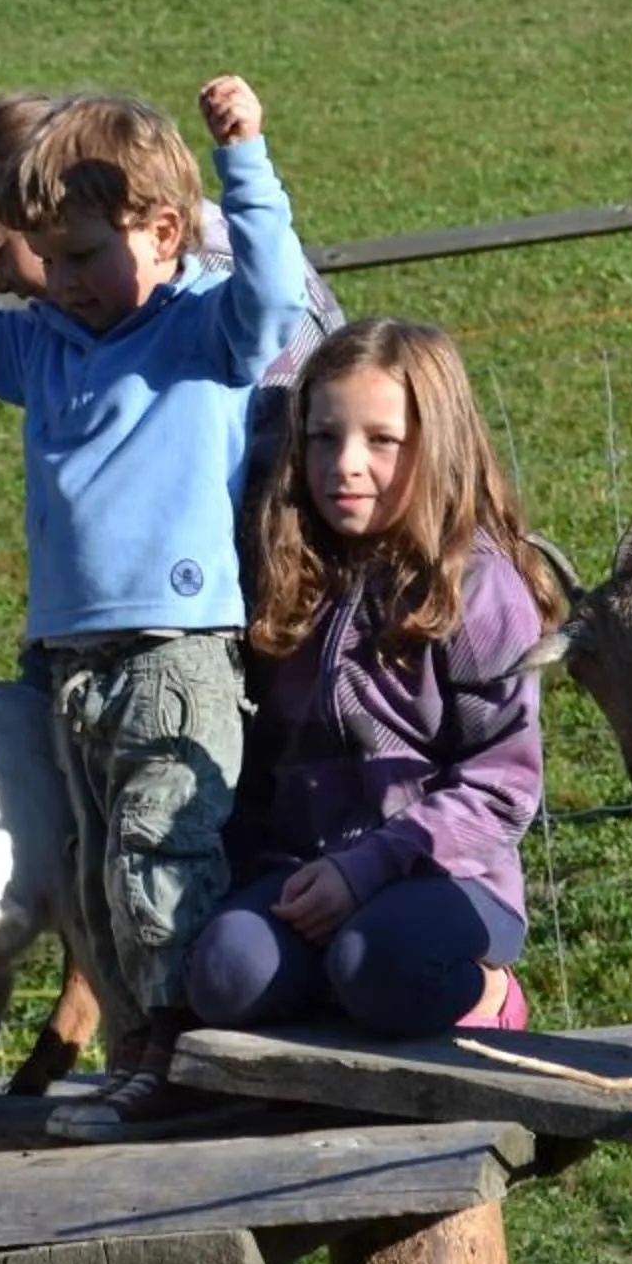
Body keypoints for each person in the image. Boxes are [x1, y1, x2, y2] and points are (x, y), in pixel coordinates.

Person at [0, 76, 313, 1140]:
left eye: (87, 255)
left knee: (161, 851)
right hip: (74, 655)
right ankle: (144, 1051)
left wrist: (248, 159)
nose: (63, 281)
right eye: (48, 257)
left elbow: (276, 296)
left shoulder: (203, 332)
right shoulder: (47, 341)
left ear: (165, 230)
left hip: (175, 649)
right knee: (96, 871)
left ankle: (194, 1058)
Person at [186, 318, 570, 1040]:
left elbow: (503, 786)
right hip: (306, 870)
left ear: (439, 444)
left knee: (378, 964)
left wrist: (367, 870)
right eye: (324, 438)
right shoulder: (288, 568)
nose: (345, 465)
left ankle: (487, 995)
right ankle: (346, 1000)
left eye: (381, 441)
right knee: (224, 977)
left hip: (446, 877)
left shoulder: (479, 589)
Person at [0, 87, 343, 495]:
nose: (1, 281)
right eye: (48, 260)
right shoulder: (132, 264)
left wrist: (246, 161)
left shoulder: (203, 286)